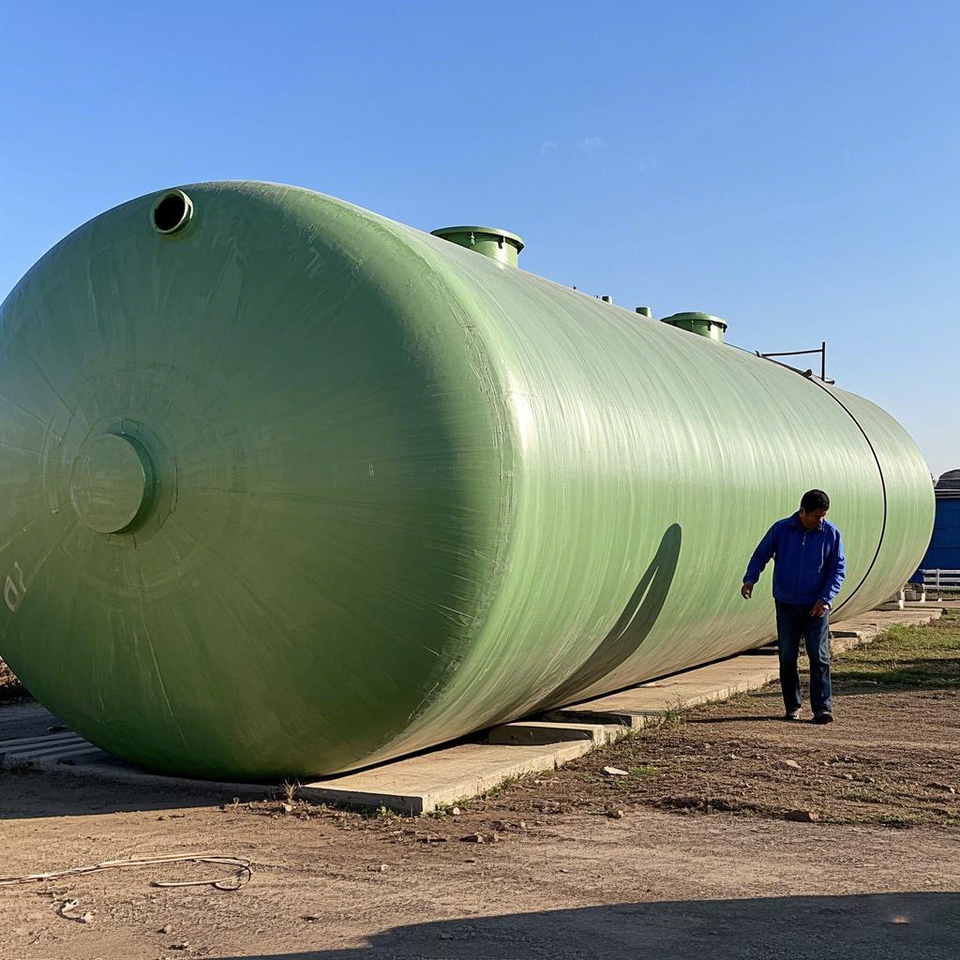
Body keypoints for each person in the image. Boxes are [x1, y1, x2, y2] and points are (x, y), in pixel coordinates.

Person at [741, 489, 846, 724]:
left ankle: (822, 709)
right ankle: (792, 706)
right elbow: (761, 555)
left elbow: (837, 570)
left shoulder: (831, 534)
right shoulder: (781, 530)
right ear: (802, 511)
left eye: (823, 516)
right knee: (788, 657)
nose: (820, 521)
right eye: (816, 516)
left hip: (816, 606)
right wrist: (750, 578)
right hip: (787, 604)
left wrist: (826, 598)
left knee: (819, 657)